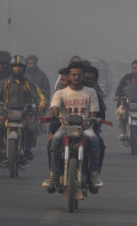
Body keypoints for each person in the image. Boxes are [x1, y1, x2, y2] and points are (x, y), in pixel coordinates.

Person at [43, 62, 102, 190]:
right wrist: (52, 115)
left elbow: (93, 113)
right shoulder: (60, 93)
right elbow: (54, 109)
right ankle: (53, 173)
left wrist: (89, 121)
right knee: (55, 140)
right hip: (64, 128)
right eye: (73, 75)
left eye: (79, 75)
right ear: (68, 76)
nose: (76, 77)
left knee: (95, 140)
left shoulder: (91, 92)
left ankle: (94, 173)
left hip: (85, 129)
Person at [0, 55, 47, 162]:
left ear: (24, 68)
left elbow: (38, 95)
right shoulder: (5, 82)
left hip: (24, 114)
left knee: (32, 129)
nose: (17, 68)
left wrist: (41, 104)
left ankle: (28, 150)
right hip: (6, 112)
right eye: (15, 66)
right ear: (11, 68)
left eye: (20, 66)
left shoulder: (28, 83)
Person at [82, 64, 108, 180]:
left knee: (100, 145)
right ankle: (57, 172)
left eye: (92, 79)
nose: (89, 81)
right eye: (87, 78)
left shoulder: (96, 94)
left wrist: (97, 121)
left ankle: (95, 173)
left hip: (90, 128)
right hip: (70, 128)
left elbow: (102, 113)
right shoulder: (70, 92)